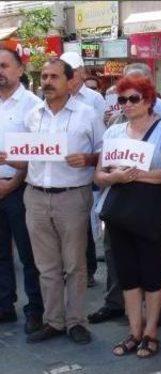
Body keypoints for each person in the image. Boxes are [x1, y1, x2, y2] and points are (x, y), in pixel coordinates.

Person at [0, 58, 105, 345]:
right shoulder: (33, 114)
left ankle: (76, 321)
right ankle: (53, 321)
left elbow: (104, 153)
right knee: (46, 266)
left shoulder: (87, 114)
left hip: (71, 196)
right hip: (35, 195)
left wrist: (87, 159)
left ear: (70, 81)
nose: (47, 81)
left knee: (74, 265)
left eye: (54, 76)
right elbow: (28, 158)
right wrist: (11, 159)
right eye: (44, 76)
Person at [95, 74, 161, 358]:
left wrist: (136, 176)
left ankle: (151, 331)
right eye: (123, 99)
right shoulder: (113, 133)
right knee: (127, 274)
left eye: (134, 99)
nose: (128, 104)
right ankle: (134, 330)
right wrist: (116, 176)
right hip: (120, 213)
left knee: (152, 273)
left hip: (151, 213)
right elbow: (99, 175)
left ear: (148, 100)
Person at [0, 47, 44, 335]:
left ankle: (36, 310)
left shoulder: (32, 106)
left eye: (4, 66)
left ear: (19, 69)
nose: (0, 72)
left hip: (20, 187)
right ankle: (4, 305)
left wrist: (13, 183)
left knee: (29, 254)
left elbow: (36, 153)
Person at [60, 51, 107, 289]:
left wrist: (89, 159)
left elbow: (99, 136)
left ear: (79, 72)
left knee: (85, 222)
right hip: (61, 169)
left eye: (70, 71)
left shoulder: (94, 99)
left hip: (86, 169)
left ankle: (87, 268)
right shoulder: (57, 97)